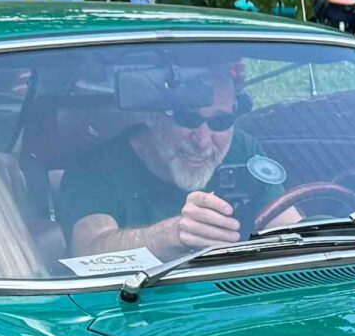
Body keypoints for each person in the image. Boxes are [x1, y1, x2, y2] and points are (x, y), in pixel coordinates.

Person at [59, 68, 246, 264]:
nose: (203, 142)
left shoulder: (242, 150)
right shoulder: (96, 169)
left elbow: (272, 219)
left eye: (221, 122)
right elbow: (87, 251)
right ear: (153, 116)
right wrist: (172, 235)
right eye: (187, 119)